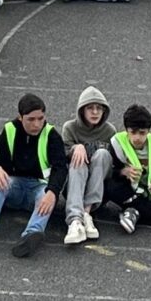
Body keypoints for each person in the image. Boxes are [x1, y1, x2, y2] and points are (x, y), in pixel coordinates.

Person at [0, 93, 67, 258]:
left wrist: (52, 192)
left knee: (46, 197)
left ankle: (30, 236)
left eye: (40, 118)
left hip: (39, 186)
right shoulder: (9, 130)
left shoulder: (52, 136)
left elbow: (60, 168)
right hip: (14, 185)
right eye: (31, 119)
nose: (37, 124)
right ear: (20, 117)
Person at [105, 103, 151, 234]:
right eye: (133, 132)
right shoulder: (117, 142)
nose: (137, 138)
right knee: (108, 185)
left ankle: (133, 211)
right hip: (131, 189)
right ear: (126, 130)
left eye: (142, 133)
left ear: (148, 131)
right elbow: (112, 171)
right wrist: (123, 172)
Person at [59, 86, 115, 243]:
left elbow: (113, 162)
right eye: (90, 108)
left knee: (103, 154)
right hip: (75, 184)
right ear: (81, 110)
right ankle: (75, 220)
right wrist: (76, 148)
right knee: (78, 160)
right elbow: (61, 157)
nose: (95, 112)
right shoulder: (70, 128)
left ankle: (86, 212)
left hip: (98, 187)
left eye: (99, 108)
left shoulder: (109, 131)